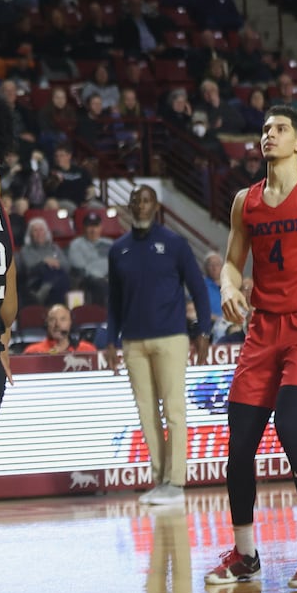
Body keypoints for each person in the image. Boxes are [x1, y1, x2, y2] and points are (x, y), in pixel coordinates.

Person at [205, 106, 297, 588]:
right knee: (240, 445)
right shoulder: (244, 201)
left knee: (291, 426)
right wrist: (230, 289)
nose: (269, 135)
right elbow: (232, 262)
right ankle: (246, 555)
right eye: (266, 129)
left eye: (280, 129)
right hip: (262, 330)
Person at [104, 185, 211, 507]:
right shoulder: (117, 249)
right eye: (135, 200)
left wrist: (203, 332)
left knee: (174, 410)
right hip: (133, 342)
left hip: (171, 337)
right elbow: (114, 301)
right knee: (147, 414)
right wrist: (111, 340)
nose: (140, 205)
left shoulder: (175, 243)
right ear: (130, 206)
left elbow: (199, 289)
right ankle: (159, 479)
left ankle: (175, 483)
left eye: (146, 200)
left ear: (156, 206)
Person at [22, 304, 98, 355]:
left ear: (71, 322)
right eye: (52, 320)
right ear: (46, 324)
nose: (57, 324)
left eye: (63, 319)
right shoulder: (32, 352)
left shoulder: (87, 349)